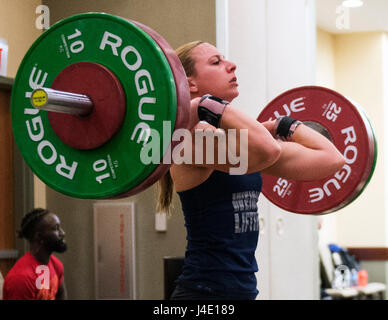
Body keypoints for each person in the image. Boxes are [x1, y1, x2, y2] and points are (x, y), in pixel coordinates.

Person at [157, 41, 346, 300]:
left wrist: (284, 123)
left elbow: (332, 159)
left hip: (241, 291)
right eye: (216, 62)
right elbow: (267, 151)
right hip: (203, 293)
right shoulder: (189, 139)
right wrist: (207, 104)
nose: (231, 65)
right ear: (190, 83)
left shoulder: (231, 142)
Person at [3, 208, 67, 300]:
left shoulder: (56, 264)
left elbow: (61, 295)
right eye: (56, 228)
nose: (62, 233)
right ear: (39, 236)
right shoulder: (21, 278)